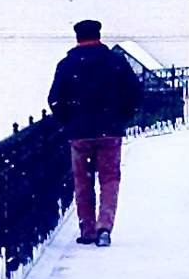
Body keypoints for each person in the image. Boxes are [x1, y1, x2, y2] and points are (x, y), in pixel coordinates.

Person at [47, 19, 143, 247]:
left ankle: (87, 229)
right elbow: (134, 92)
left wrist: (67, 121)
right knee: (110, 180)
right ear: (99, 35)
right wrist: (121, 117)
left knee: (83, 181)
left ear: (77, 37)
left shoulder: (67, 65)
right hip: (109, 130)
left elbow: (54, 99)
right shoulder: (115, 62)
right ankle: (104, 227)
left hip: (79, 132)